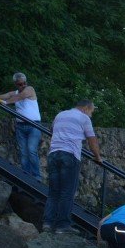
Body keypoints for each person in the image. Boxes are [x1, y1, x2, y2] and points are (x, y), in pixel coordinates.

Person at [43, 99, 101, 233]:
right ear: (86, 108)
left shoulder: (60, 114)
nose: (91, 115)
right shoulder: (84, 118)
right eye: (91, 111)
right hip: (69, 155)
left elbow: (52, 130)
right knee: (67, 192)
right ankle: (62, 226)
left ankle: (47, 223)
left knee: (53, 192)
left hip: (54, 154)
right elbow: (92, 140)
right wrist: (98, 157)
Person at [0, 72, 42, 179]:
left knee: (31, 150)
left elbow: (20, 96)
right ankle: (26, 175)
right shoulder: (14, 93)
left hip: (34, 125)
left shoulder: (30, 89)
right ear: (16, 84)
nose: (23, 85)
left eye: (24, 83)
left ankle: (36, 177)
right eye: (20, 84)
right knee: (23, 152)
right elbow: (3, 96)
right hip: (20, 125)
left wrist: (5, 102)